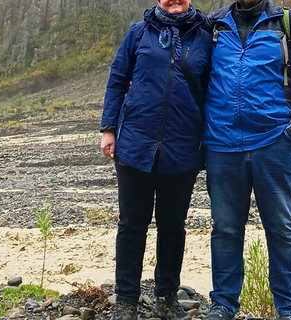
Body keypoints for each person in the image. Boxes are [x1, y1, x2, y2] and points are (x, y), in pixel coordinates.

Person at [202, 1, 291, 320]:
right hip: (222, 144)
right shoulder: (214, 24)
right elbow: (193, 71)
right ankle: (224, 303)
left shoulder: (285, 22)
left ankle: (290, 309)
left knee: (281, 227)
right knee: (225, 228)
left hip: (274, 143)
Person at [99, 0, 212, 319]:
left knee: (173, 225)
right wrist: (109, 129)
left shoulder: (205, 37)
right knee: (132, 225)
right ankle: (125, 299)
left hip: (183, 148)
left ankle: (166, 295)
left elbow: (213, 90)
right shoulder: (138, 34)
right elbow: (117, 81)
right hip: (135, 145)